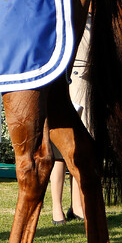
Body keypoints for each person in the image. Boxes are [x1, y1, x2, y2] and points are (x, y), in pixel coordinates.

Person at [50, 16, 90, 225]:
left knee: (80, 151)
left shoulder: (92, 20)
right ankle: (56, 208)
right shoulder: (59, 18)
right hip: (64, 86)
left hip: (87, 87)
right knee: (58, 155)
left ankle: (77, 206)